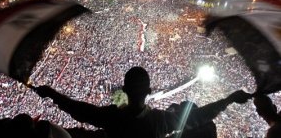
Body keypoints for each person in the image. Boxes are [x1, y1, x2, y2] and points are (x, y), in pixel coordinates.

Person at [34, 66, 252, 138]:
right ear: (149, 91)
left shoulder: (112, 116)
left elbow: (80, 111)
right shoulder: (160, 121)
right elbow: (199, 116)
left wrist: (52, 93)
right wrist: (229, 99)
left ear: (124, 89)